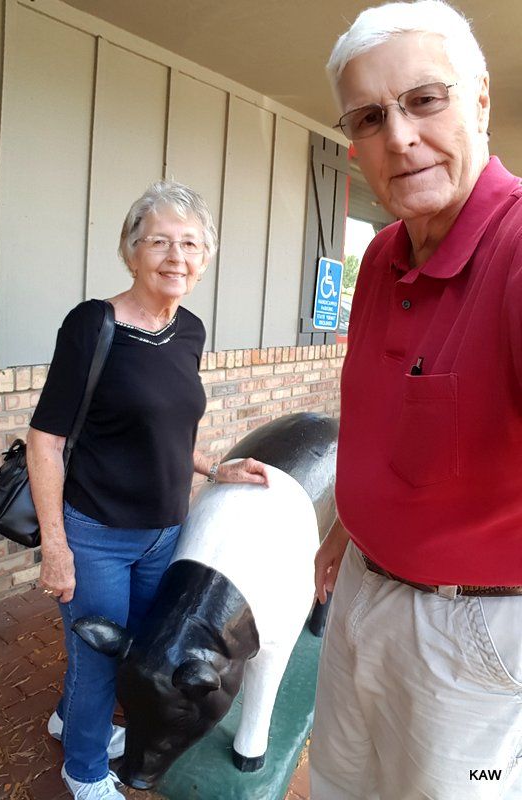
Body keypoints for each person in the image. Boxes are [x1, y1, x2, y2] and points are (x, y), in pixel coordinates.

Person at [310, 2, 522, 798]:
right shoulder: (382, 258)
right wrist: (343, 526)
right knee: (340, 781)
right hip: (362, 585)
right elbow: (376, 419)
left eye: (424, 99)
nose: (398, 136)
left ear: (480, 101)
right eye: (370, 116)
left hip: (474, 638)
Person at [26, 181, 269, 800]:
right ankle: (83, 769)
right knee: (97, 657)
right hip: (95, 534)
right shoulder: (92, 325)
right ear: (131, 251)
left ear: (205, 258)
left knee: (138, 654)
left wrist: (214, 468)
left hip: (165, 533)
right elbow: (45, 440)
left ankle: (68, 720)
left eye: (189, 244)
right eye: (159, 241)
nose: (175, 257)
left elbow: (163, 425)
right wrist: (56, 546)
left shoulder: (189, 329)